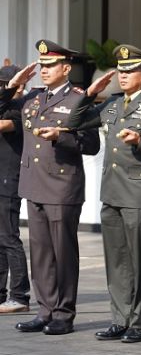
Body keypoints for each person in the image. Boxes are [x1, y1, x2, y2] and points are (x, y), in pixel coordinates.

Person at [65, 45, 141, 343]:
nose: (124, 75)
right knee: (116, 260)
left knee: (139, 261)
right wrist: (90, 93)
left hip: (140, 192)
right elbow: (73, 123)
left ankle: (139, 323)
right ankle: (120, 318)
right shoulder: (113, 104)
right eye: (121, 70)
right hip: (112, 191)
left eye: (130, 71)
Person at [0, 41, 100, 335]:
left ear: (66, 68)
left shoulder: (78, 100)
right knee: (41, 252)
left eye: (51, 66)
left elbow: (91, 144)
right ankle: (45, 310)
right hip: (33, 184)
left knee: (63, 252)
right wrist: (11, 87)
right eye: (42, 66)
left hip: (61, 186)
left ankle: (63, 313)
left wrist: (61, 136)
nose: (44, 71)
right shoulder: (32, 98)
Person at [0, 65, 31, 315]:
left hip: (10, 179)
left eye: (6, 84)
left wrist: (10, 94)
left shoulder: (23, 109)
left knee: (9, 237)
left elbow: (3, 125)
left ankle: (19, 295)